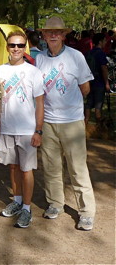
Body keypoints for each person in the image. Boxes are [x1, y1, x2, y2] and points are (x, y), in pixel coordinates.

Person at [36, 16, 96, 231]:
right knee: (51, 168)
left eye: (57, 32)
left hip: (72, 122)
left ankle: (86, 212)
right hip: (49, 122)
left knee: (77, 169)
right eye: (49, 32)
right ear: (43, 35)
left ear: (63, 35)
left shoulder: (76, 56)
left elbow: (85, 87)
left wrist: (70, 106)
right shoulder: (40, 59)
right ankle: (55, 203)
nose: (53, 35)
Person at [0, 31, 44, 228]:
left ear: (26, 48)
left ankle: (26, 208)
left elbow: (40, 103)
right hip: (7, 128)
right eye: (13, 45)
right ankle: (16, 201)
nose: (16, 49)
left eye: (20, 45)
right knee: (13, 167)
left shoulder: (34, 72)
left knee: (26, 170)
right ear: (7, 46)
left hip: (27, 129)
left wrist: (38, 130)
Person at [84, 33, 111, 125]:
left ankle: (85, 125)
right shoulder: (101, 53)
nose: (105, 42)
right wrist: (107, 83)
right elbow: (104, 68)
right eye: (104, 40)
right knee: (98, 106)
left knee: (88, 104)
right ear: (100, 42)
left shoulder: (89, 52)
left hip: (89, 82)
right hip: (99, 83)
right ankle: (99, 128)